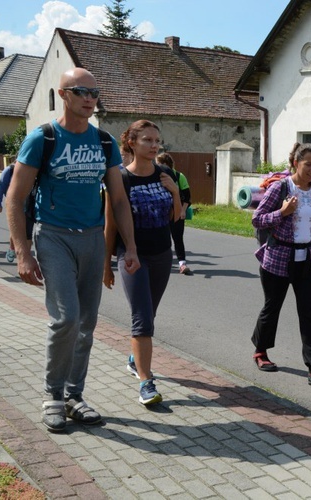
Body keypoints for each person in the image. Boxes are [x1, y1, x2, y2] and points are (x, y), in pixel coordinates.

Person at [6, 67, 140, 432]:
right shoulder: (42, 139)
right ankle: (52, 395)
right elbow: (14, 199)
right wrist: (22, 252)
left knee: (87, 323)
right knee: (66, 317)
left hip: (92, 238)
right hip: (53, 236)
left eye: (94, 92)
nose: (89, 98)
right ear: (63, 95)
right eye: (81, 91)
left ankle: (73, 395)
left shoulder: (105, 142)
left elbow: (119, 199)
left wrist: (129, 246)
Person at [104, 120, 181, 406]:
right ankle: (146, 382)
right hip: (131, 256)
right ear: (132, 143)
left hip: (162, 255)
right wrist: (106, 266)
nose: (154, 145)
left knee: (150, 314)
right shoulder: (121, 178)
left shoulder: (165, 173)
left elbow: (176, 218)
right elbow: (110, 226)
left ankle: (135, 358)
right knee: (142, 319)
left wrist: (175, 192)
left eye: (157, 140)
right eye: (147, 140)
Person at [251, 142, 311, 387]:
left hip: (307, 260)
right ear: (295, 163)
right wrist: (282, 213)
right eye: (308, 164)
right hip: (278, 258)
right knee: (272, 307)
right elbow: (258, 220)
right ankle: (261, 351)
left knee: (309, 313)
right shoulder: (280, 187)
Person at [156, 152, 192, 275]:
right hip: (162, 212)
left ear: (167, 164)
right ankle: (165, 262)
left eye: (160, 164)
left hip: (177, 211)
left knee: (177, 238)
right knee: (162, 238)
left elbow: (187, 196)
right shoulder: (156, 176)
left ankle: (182, 263)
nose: (158, 166)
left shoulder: (178, 176)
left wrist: (182, 210)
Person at [0, 161, 34, 262]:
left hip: (30, 205)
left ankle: (26, 257)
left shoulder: (33, 170)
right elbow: (1, 186)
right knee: (17, 230)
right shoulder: (10, 170)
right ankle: (12, 249)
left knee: (28, 233)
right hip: (15, 206)